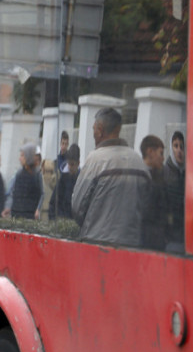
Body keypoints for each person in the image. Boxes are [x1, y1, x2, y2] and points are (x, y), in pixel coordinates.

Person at [72, 107, 150, 247]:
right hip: (132, 247)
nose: (93, 133)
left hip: (96, 246)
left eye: (94, 129)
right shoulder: (138, 162)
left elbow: (77, 207)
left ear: (100, 130)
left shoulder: (95, 160)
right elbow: (147, 209)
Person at [139, 134, 169, 250]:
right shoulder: (140, 176)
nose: (163, 158)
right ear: (150, 152)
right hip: (145, 239)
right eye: (160, 153)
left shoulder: (161, 176)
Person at [4, 143, 42, 220]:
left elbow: (40, 195)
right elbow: (13, 193)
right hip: (16, 216)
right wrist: (9, 207)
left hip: (28, 218)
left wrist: (37, 209)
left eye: (22, 155)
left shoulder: (37, 175)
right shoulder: (19, 174)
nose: (19, 158)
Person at [163, 130, 186, 250]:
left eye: (181, 147)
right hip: (170, 236)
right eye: (176, 146)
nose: (179, 151)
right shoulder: (165, 172)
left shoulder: (188, 173)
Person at [49, 144, 80, 220]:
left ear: (78, 163)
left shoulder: (81, 180)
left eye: (72, 164)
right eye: (68, 163)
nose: (69, 167)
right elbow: (54, 202)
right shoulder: (63, 178)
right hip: (62, 221)